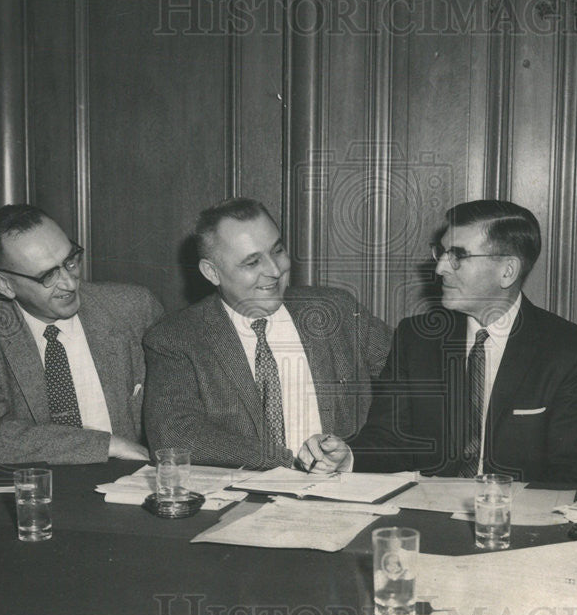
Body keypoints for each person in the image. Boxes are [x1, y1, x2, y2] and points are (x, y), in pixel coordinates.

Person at [320, 200, 577, 482]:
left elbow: (571, 471)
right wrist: (349, 457)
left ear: (507, 271)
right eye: (442, 253)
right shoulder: (416, 338)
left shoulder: (572, 351)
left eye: (458, 256)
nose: (440, 268)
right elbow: (391, 438)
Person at [142, 199, 392, 472]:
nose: (274, 270)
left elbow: (414, 380)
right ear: (212, 272)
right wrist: (288, 461)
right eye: (252, 262)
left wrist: (354, 454)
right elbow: (176, 433)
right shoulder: (176, 338)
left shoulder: (336, 310)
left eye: (278, 250)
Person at [0, 205, 164, 465]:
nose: (69, 283)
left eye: (70, 261)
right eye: (47, 275)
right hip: (35, 488)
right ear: (5, 284)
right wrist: (107, 445)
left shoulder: (134, 309)